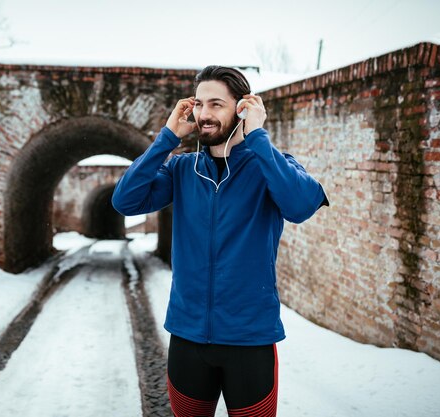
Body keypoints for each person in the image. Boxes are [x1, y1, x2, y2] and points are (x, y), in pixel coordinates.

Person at [112, 65, 329, 417]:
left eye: (216, 104)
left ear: (241, 107)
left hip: (250, 341)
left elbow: (301, 205)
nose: (204, 114)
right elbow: (125, 201)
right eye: (199, 104)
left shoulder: (272, 167)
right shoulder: (182, 170)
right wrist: (167, 137)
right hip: (187, 340)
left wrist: (258, 137)